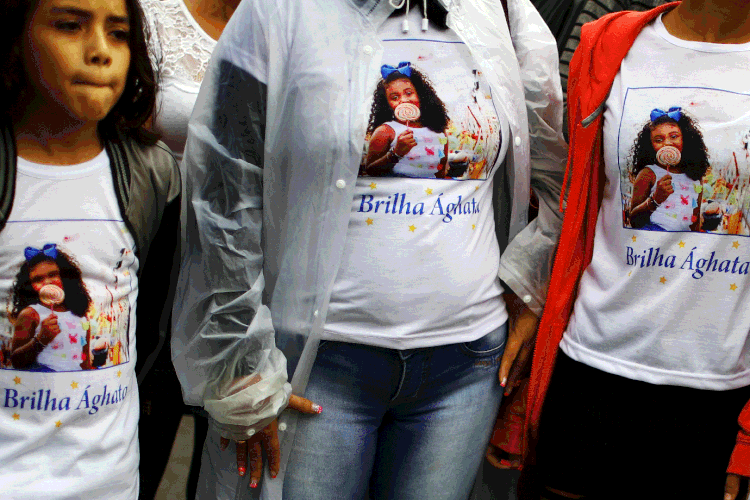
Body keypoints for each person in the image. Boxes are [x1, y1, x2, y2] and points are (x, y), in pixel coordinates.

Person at [171, 0, 566, 499]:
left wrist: (532, 287)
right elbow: (224, 186)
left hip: (467, 368)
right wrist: (240, 363)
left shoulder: (502, 12)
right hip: (318, 366)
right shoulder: (279, 12)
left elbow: (560, 166)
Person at [501, 1, 750, 499]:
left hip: (716, 391)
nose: (667, 141)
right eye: (660, 136)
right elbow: (577, 207)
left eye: (674, 134)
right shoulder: (607, 43)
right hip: (591, 368)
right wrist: (536, 306)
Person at [0, 0, 180, 498]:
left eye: (118, 33)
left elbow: (151, 333)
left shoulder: (150, 174)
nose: (100, 51)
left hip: (108, 483)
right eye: (69, 25)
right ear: (16, 36)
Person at [136, 1, 240, 498]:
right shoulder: (153, 17)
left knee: (224, 446)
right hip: (158, 260)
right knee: (144, 428)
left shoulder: (298, 24)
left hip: (248, 265)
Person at [10, 244, 93, 371]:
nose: (47, 282)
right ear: (29, 285)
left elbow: (84, 360)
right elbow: (16, 361)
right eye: (38, 279)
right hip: (44, 384)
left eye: (53, 275)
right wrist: (40, 340)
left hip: (74, 382)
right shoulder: (30, 314)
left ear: (65, 277)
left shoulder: (80, 315)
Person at [627, 107, 710, 231]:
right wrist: (655, 199)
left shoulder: (695, 176)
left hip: (682, 241)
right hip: (654, 237)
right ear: (650, 145)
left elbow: (695, 219)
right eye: (659, 140)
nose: (667, 143)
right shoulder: (648, 174)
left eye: (674, 136)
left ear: (686, 139)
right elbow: (634, 221)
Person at [364, 62, 451, 178]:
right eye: (395, 97)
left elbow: (441, 169)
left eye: (409, 93)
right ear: (387, 104)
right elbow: (370, 170)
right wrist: (396, 153)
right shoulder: (385, 131)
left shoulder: (438, 130)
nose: (403, 100)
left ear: (421, 94)